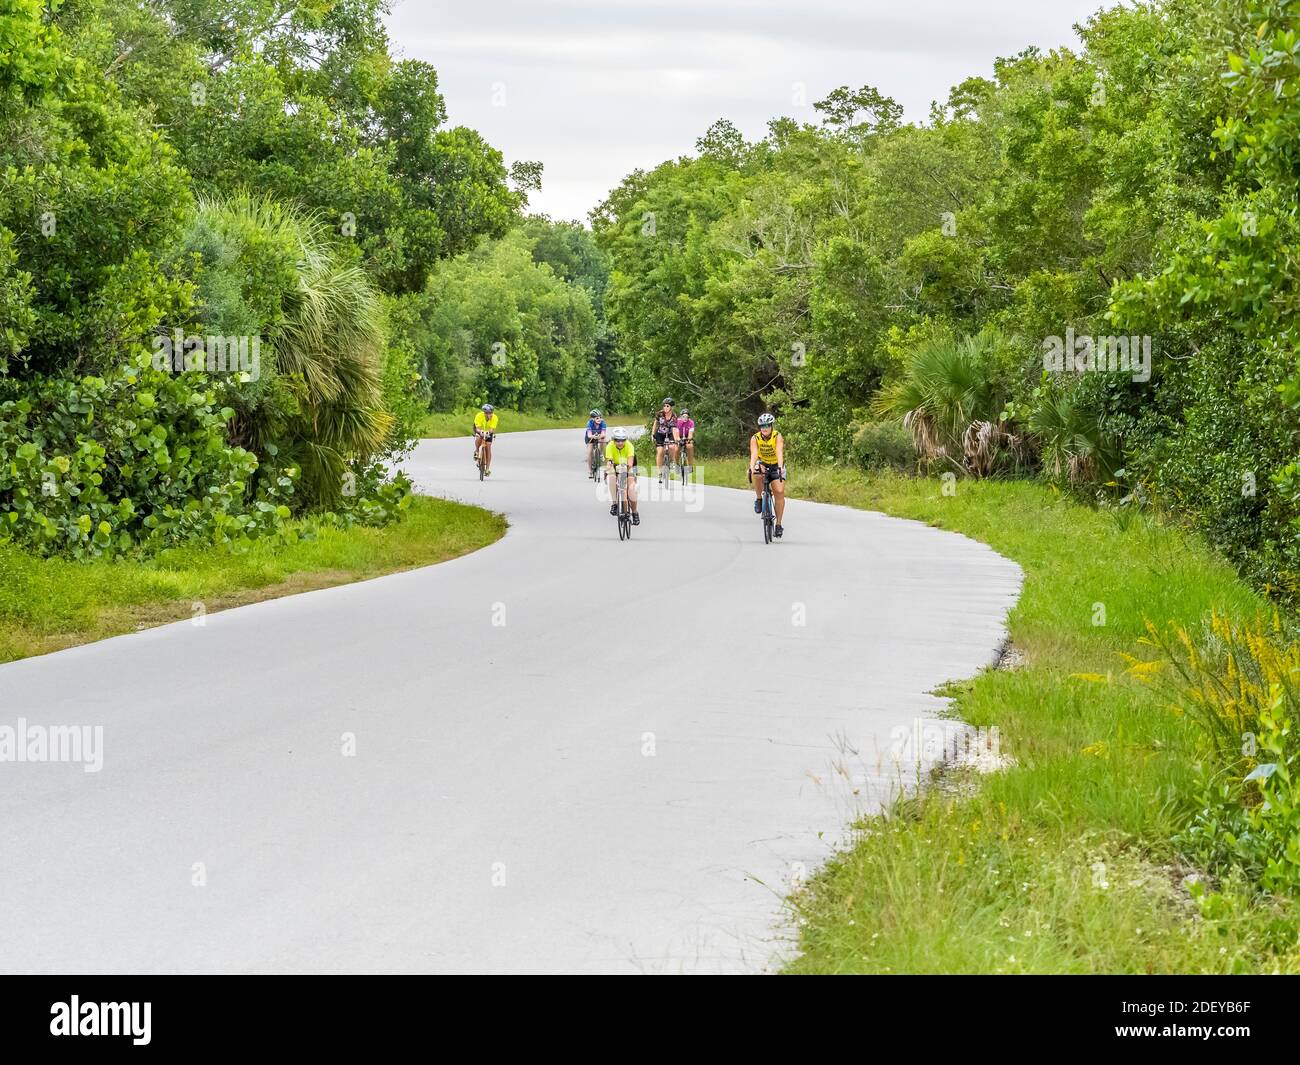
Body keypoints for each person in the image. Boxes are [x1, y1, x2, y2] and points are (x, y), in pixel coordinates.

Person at [749, 411, 785, 537]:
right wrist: (751, 467)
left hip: (775, 465)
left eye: (767, 426)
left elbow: (779, 451)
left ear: (771, 426)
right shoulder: (755, 438)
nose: (765, 428)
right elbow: (754, 454)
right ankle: (759, 499)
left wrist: (780, 467)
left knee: (779, 492)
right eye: (762, 426)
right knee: (757, 472)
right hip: (763, 463)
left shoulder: (777, 436)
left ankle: (779, 524)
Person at [605, 426, 640, 525]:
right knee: (611, 476)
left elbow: (630, 462)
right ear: (613, 440)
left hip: (629, 467)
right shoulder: (609, 446)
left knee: (631, 490)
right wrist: (610, 468)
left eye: (622, 440)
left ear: (625, 440)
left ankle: (634, 512)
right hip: (615, 466)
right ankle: (615, 503)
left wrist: (625, 469)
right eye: (617, 440)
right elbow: (609, 462)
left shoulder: (629, 446)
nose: (620, 442)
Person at [651, 397, 677, 477]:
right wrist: (652, 434)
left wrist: (676, 439)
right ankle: (659, 470)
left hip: (669, 433)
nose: (665, 408)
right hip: (660, 433)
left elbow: (674, 429)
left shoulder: (674, 416)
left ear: (672, 407)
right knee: (660, 451)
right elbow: (655, 424)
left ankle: (672, 461)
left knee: (672, 447)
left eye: (667, 406)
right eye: (664, 406)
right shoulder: (660, 414)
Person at [473, 403, 499, 475]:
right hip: (480, 430)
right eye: (487, 413)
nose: (489, 415)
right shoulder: (479, 416)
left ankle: (487, 469)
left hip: (488, 432)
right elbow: (477, 428)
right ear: (484, 413)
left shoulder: (495, 417)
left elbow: (492, 429)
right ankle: (477, 451)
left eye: (491, 413)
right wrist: (480, 431)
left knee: (488, 446)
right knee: (478, 438)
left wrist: (488, 432)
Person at [675, 406, 696, 476]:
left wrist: (689, 439)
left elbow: (690, 434)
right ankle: (677, 464)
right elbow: (677, 434)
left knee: (690, 446)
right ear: (680, 417)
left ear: (689, 417)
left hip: (687, 436)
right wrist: (678, 439)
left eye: (687, 417)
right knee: (677, 448)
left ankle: (690, 465)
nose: (685, 418)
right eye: (683, 416)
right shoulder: (677, 422)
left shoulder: (691, 423)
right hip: (679, 436)